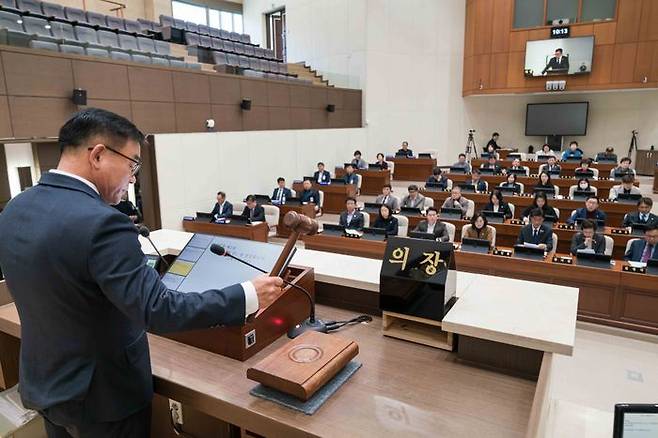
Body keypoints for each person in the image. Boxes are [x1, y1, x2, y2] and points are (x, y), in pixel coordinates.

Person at [0, 108, 284, 437]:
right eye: (132, 163)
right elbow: (158, 310)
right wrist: (247, 293)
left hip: (47, 385)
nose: (134, 177)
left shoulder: (16, 209)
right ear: (98, 155)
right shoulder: (102, 223)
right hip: (103, 399)